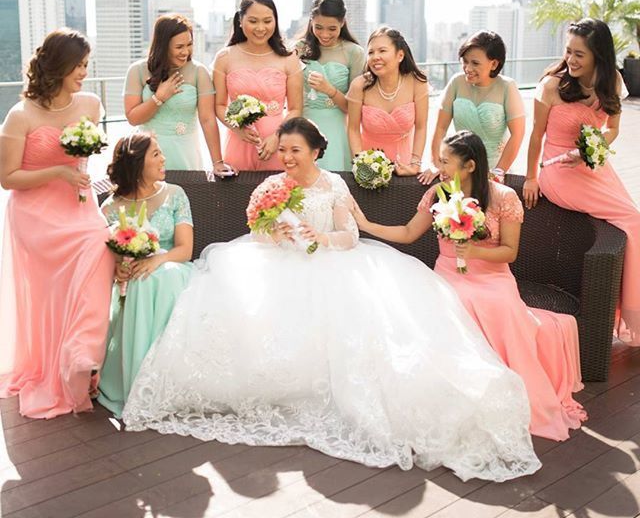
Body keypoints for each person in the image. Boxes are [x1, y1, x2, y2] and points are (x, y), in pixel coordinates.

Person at [122, 117, 541, 483]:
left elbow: (350, 235)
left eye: (295, 150)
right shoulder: (271, 186)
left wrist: (323, 238)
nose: (286, 157)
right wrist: (275, 233)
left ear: (316, 151)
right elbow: (259, 228)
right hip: (275, 264)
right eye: (282, 149)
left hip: (332, 262)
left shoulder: (334, 185)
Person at [354, 130, 586, 441]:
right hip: (449, 272)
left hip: (493, 277)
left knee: (498, 306)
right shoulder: (440, 193)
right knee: (449, 302)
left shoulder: (503, 197)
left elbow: (510, 251)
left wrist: (474, 251)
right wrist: (366, 225)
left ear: (470, 166)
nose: (440, 167)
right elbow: (409, 232)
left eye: (446, 161)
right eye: (439, 160)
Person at [0, 28, 114, 419]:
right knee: (51, 292)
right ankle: (56, 362)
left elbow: (87, 161)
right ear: (57, 66)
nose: (84, 72)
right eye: (78, 66)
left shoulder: (92, 104)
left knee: (101, 245)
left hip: (78, 208)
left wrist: (76, 173)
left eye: (86, 65)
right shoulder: (21, 115)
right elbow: (7, 178)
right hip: (34, 214)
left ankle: (82, 355)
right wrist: (58, 174)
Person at [523, 18, 640, 345]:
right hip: (557, 171)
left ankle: (626, 309)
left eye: (580, 55)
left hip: (592, 166)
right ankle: (630, 313)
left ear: (599, 56)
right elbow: (535, 137)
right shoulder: (551, 85)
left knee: (632, 220)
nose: (571, 61)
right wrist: (532, 176)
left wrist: (594, 147)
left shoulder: (612, 80)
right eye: (568, 52)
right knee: (632, 219)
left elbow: (612, 129)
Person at [97, 133, 194, 417]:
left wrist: (159, 259)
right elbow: (110, 261)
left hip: (174, 268)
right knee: (142, 280)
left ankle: (166, 378)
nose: (164, 159)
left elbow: (185, 249)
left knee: (158, 277)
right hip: (133, 282)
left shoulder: (175, 194)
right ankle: (139, 381)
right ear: (137, 164)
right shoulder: (111, 209)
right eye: (156, 155)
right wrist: (119, 268)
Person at [124, 14, 232, 174]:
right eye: (179, 47)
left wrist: (217, 162)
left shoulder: (199, 72)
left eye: (189, 45)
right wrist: (158, 98)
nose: (186, 52)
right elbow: (133, 118)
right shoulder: (137, 70)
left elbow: (207, 119)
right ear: (163, 46)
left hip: (186, 154)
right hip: (147, 156)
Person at [419, 31, 525, 184]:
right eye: (465, 61)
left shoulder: (507, 87)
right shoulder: (456, 82)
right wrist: (437, 164)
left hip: (493, 170)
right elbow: (440, 128)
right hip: (458, 170)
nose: (468, 68)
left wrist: (499, 172)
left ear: (494, 64)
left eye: (475, 63)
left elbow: (518, 134)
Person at [213, 0, 303, 171]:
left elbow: (295, 109)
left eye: (267, 21)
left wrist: (277, 136)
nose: (261, 28)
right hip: (238, 144)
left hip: (278, 147)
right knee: (236, 198)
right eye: (253, 21)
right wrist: (237, 129)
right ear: (240, 20)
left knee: (279, 197)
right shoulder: (224, 57)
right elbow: (219, 106)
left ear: (275, 21)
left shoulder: (289, 58)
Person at [296, 0, 365, 171]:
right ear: (311, 21)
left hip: (337, 130)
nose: (324, 35)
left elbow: (352, 108)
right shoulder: (298, 49)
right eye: (318, 27)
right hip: (303, 128)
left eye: (332, 29)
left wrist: (329, 89)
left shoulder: (354, 53)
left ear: (342, 23)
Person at [347, 27, 428, 175]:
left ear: (400, 55)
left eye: (382, 51)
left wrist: (415, 164)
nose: (375, 57)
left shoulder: (417, 82)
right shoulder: (359, 85)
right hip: (368, 166)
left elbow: (421, 127)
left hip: (405, 165)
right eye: (371, 52)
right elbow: (352, 129)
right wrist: (360, 165)